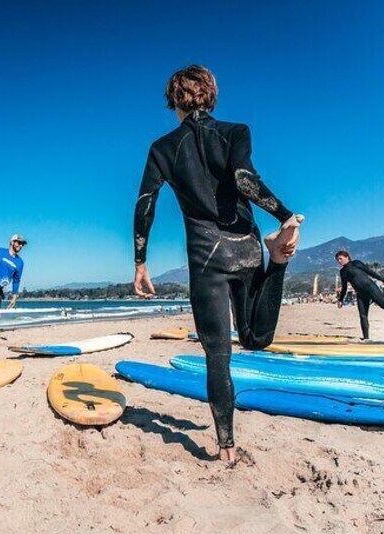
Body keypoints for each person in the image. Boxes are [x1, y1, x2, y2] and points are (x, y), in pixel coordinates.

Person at [132, 65, 304, 465]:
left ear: (173, 100)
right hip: (245, 246)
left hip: (205, 258)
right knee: (256, 339)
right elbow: (244, 179)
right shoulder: (235, 131)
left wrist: (140, 262)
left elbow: (145, 205)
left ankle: (226, 445)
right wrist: (284, 215)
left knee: (217, 355)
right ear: (211, 95)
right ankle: (278, 260)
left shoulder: (161, 148)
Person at [335, 250, 384, 339]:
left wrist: (383, 280)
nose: (339, 261)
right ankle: (366, 338)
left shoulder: (356, 263)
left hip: (370, 288)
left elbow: (370, 272)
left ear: (347, 257)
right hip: (360, 294)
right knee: (363, 316)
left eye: (340, 259)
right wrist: (340, 300)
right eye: (337, 260)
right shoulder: (342, 272)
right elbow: (344, 287)